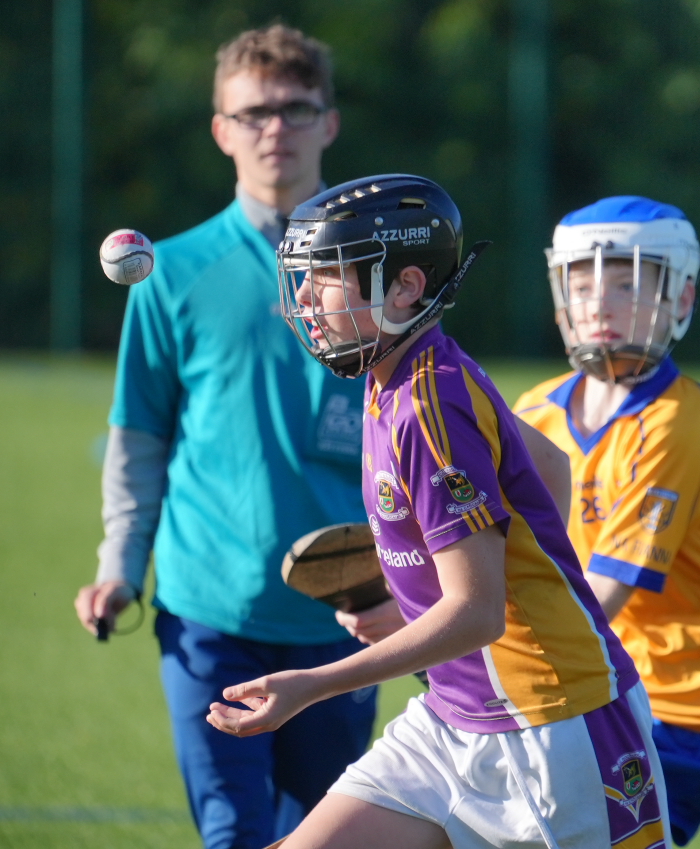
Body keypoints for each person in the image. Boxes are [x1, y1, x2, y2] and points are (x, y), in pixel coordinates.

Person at [206, 174, 672, 849]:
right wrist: (434, 606)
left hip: (560, 731)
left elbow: (478, 612)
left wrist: (314, 683)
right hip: (451, 719)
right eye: (303, 277)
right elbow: (548, 468)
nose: (304, 298)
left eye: (329, 276)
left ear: (406, 286)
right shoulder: (395, 371)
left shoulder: (427, 404)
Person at [74, 25, 385, 849]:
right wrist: (118, 568)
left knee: (325, 836)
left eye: (295, 108)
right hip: (207, 612)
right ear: (221, 129)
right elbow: (137, 438)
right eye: (253, 113)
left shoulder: (380, 271)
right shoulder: (170, 271)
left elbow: (413, 440)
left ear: (330, 123)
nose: (274, 128)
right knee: (232, 832)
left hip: (348, 620)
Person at [513, 195, 700, 847]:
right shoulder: (534, 412)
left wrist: (492, 648)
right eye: (582, 284)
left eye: (625, 282)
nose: (600, 303)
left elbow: (606, 591)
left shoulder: (676, 417)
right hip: (639, 705)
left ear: (679, 296)